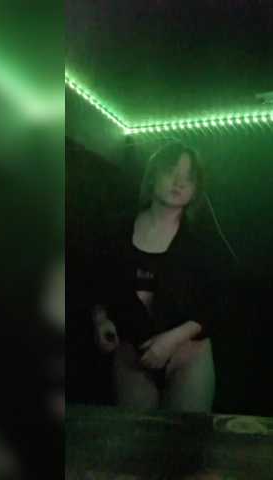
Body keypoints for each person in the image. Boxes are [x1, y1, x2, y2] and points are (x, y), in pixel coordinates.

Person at [92, 142, 216, 412]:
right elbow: (98, 284)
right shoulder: (116, 231)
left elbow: (216, 301)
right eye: (171, 171)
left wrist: (172, 339)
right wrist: (101, 320)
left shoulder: (201, 239)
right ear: (153, 175)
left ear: (195, 188)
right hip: (133, 356)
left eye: (189, 177)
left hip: (187, 356)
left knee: (184, 434)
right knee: (135, 435)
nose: (179, 182)